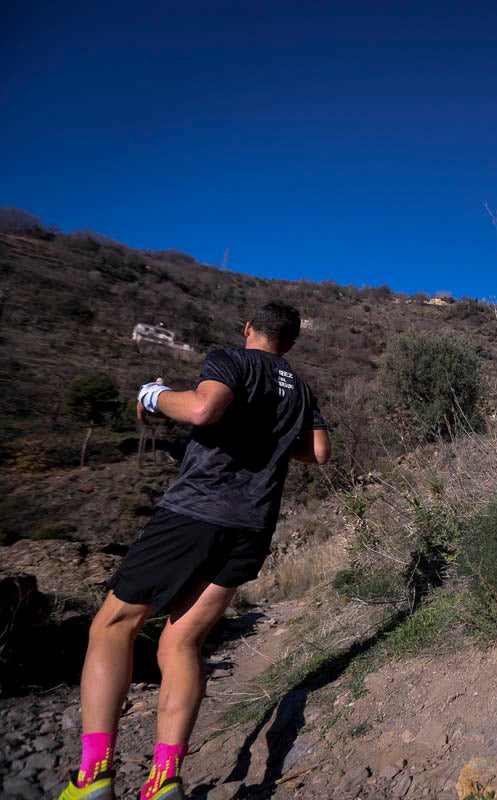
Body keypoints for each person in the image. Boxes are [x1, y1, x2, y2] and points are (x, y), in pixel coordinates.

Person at [58, 302, 331, 800]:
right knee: (181, 644)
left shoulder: (232, 359)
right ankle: (164, 780)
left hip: (196, 514)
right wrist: (266, 442)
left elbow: (204, 408)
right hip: (252, 526)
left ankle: (94, 773)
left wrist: (154, 394)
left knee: (113, 625)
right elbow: (317, 452)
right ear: (290, 343)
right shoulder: (302, 387)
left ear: (249, 329)